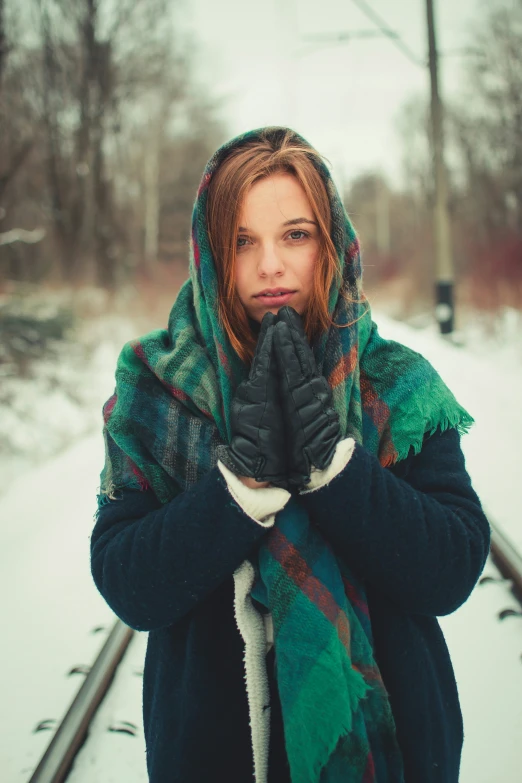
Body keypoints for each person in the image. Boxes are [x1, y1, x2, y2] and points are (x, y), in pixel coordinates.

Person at [90, 126, 490, 783]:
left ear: (330, 244)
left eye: (295, 235)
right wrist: (235, 490)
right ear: (211, 252)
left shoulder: (396, 383)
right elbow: (128, 583)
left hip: (394, 754)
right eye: (242, 240)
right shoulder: (156, 389)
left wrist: (336, 468)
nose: (269, 265)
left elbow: (451, 569)